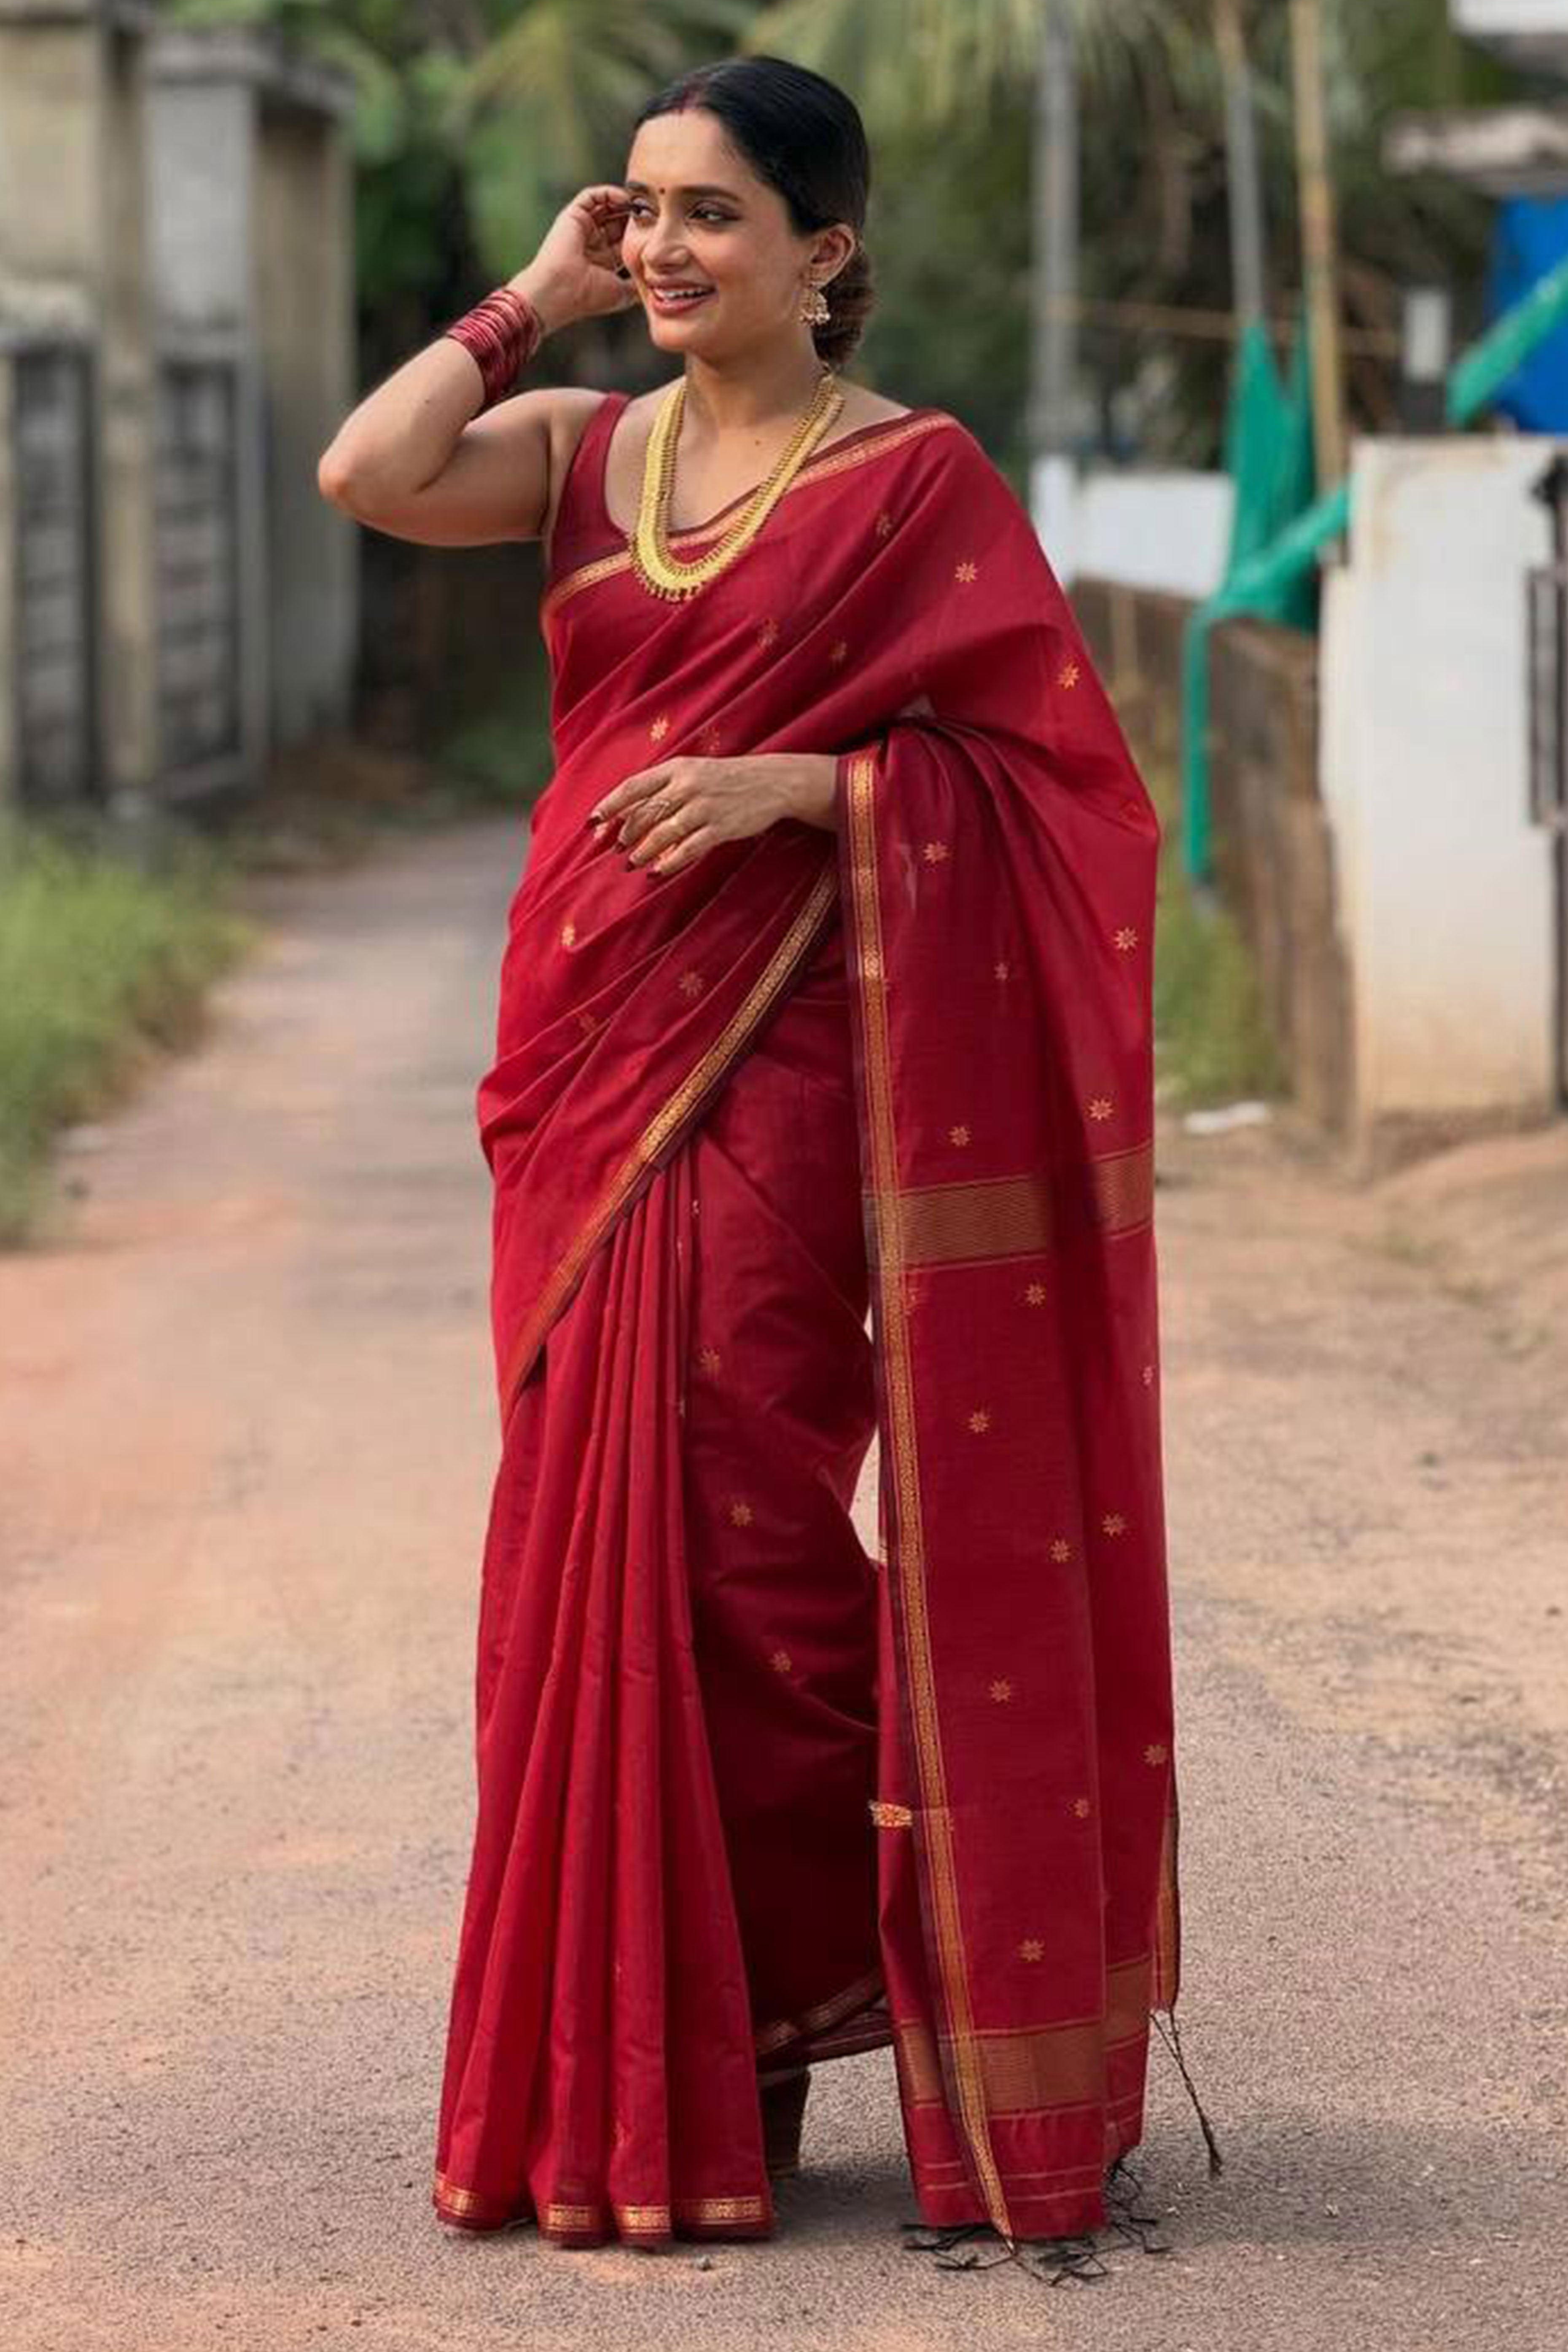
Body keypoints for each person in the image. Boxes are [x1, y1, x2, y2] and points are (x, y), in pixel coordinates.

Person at [317, 52, 1210, 2268]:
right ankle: (697, 2038)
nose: (663, 249)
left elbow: (1072, 802)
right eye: (636, 210)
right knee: (580, 1561)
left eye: (709, 213)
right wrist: (527, 295)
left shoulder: (913, 485)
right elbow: (364, 464)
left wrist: (809, 793)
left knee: (738, 1541)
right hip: (580, 1053)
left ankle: (941, 1933)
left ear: (829, 245)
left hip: (794, 1061)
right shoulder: (580, 449)